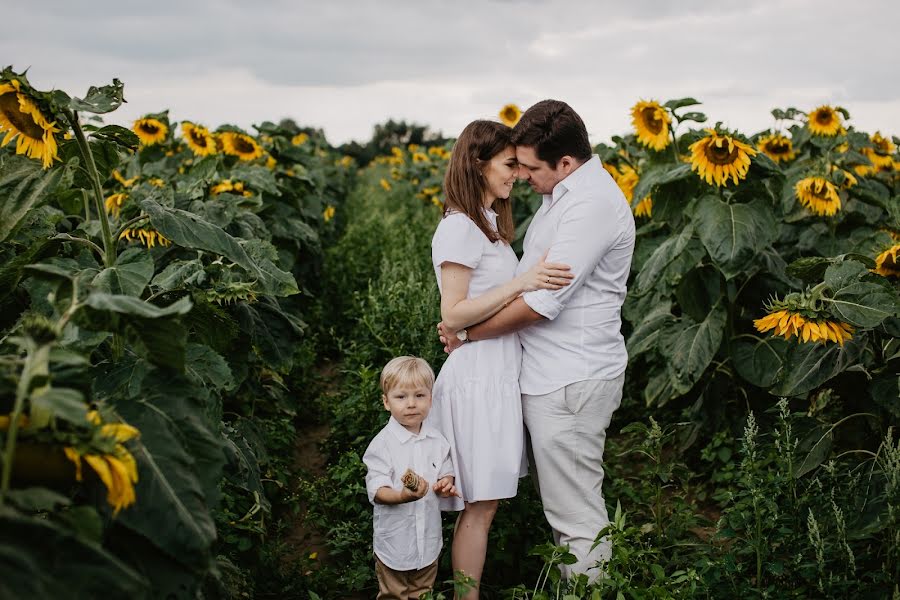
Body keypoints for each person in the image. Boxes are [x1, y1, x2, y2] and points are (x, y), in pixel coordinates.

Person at [439, 100, 636, 580]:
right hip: (550, 375)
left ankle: (591, 592)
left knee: (576, 517)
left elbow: (541, 302)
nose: (523, 176)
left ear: (565, 163)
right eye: (515, 165)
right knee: (566, 513)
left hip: (570, 377)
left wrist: (465, 330)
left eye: (529, 166)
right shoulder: (562, 197)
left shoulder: (590, 207)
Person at [428, 119, 573, 597]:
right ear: (477, 163)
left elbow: (466, 315)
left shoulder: (487, 225)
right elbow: (452, 311)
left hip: (495, 372)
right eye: (509, 164)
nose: (517, 173)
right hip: (478, 381)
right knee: (479, 506)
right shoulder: (459, 228)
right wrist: (521, 282)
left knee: (485, 504)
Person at [363, 356, 460, 600]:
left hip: (427, 542)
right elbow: (376, 490)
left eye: (419, 395)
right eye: (401, 397)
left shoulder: (437, 440)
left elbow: (445, 471)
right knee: (394, 595)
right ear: (386, 402)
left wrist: (445, 483)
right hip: (395, 543)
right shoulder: (382, 445)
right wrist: (401, 495)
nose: (411, 404)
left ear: (431, 398)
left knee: (423, 593)